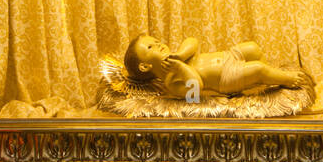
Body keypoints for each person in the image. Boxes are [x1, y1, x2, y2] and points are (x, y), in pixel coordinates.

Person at [123, 32, 304, 99]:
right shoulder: (172, 82)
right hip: (226, 76)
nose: (159, 44)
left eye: (156, 41)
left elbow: (192, 40)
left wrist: (181, 55)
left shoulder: (179, 55)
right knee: (258, 68)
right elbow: (196, 89)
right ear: (145, 67)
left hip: (228, 56)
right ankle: (284, 79)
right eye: (150, 47)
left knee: (253, 48)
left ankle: (256, 82)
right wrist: (180, 67)